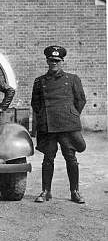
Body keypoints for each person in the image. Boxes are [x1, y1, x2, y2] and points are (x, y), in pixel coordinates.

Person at [31, 45, 86, 204]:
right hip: (48, 125)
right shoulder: (39, 81)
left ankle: (75, 192)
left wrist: (70, 114)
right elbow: (36, 103)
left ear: (62, 61)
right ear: (47, 61)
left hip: (67, 125)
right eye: (51, 60)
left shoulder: (72, 79)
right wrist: (44, 117)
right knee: (48, 158)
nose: (53, 63)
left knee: (71, 158)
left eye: (57, 60)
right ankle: (46, 191)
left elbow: (80, 100)